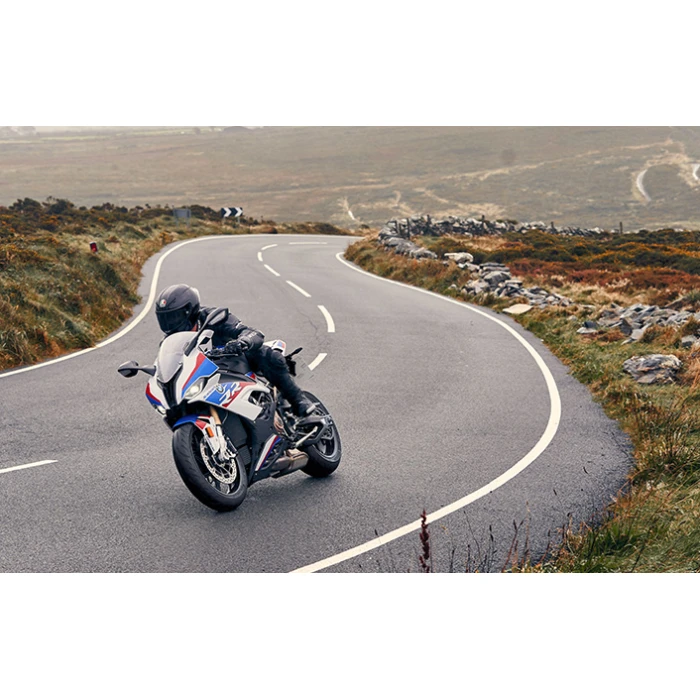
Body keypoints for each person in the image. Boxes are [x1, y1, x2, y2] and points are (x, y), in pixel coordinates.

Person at [154, 284, 315, 416]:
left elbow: (252, 333)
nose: (170, 324)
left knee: (266, 355)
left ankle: (298, 400)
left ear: (189, 311)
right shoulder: (169, 342)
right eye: (165, 319)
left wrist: (242, 342)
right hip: (208, 375)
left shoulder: (214, 318)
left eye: (173, 317)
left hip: (236, 361)